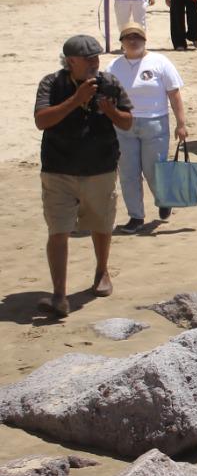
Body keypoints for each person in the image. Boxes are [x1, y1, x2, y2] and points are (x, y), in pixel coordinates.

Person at [33, 36, 133, 316]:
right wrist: (76, 100)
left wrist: (111, 110)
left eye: (96, 58)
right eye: (88, 60)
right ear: (71, 62)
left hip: (99, 167)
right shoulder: (52, 84)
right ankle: (59, 295)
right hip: (58, 169)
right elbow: (42, 120)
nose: (94, 64)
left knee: (102, 224)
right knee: (58, 230)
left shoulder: (109, 82)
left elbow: (127, 122)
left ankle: (102, 272)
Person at [107, 24, 187, 231]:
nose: (133, 41)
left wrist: (181, 124)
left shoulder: (160, 62)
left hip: (155, 123)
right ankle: (136, 216)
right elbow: (107, 98)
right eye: (128, 38)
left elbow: (174, 93)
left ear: (145, 40)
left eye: (137, 37)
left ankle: (163, 199)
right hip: (124, 124)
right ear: (122, 42)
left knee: (154, 170)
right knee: (128, 172)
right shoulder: (113, 66)